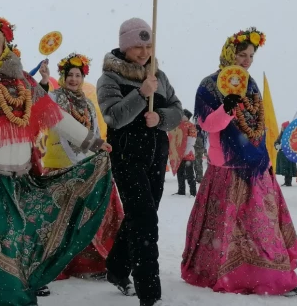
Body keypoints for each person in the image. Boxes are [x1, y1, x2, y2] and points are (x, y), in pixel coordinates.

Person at [0, 17, 114, 305]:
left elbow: (55, 116)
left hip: (18, 176)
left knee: (12, 237)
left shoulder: (23, 83)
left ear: (5, 45)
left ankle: (2, 287)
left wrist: (92, 141)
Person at [182, 28, 297, 296]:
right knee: (226, 227)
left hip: (256, 165)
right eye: (242, 54)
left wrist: (263, 156)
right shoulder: (209, 84)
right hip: (226, 166)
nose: (247, 60)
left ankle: (271, 273)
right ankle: (226, 273)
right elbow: (206, 123)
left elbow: (257, 125)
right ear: (229, 54)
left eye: (250, 55)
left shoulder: (250, 84)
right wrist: (226, 108)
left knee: (263, 224)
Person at [97, 17, 183, 306]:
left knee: (141, 215)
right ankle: (150, 293)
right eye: (137, 47)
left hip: (156, 153)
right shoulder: (109, 78)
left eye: (148, 46)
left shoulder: (160, 75)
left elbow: (177, 109)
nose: (144, 52)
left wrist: (161, 119)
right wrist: (140, 94)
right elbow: (113, 117)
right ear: (125, 46)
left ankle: (117, 268)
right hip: (126, 155)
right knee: (145, 218)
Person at [42, 53, 123, 281]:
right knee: (62, 220)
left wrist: (97, 152)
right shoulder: (54, 98)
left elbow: (95, 130)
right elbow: (61, 127)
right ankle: (59, 264)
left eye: (78, 75)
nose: (74, 79)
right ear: (63, 76)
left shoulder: (87, 102)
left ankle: (91, 263)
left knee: (89, 215)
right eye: (70, 75)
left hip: (86, 164)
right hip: (60, 166)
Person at [172, 110, 197, 197]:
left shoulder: (191, 126)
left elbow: (192, 140)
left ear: (187, 117)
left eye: (183, 115)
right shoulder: (178, 124)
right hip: (179, 154)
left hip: (188, 153)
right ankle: (181, 190)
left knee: (190, 174)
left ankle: (193, 192)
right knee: (180, 173)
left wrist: (186, 150)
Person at [275, 121, 297, 186]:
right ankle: (286, 181)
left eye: (282, 127)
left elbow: (294, 143)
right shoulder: (281, 135)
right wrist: (277, 145)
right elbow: (277, 141)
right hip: (282, 154)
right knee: (284, 168)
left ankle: (288, 181)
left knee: (289, 168)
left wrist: (286, 146)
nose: (281, 128)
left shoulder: (292, 134)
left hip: (289, 154)